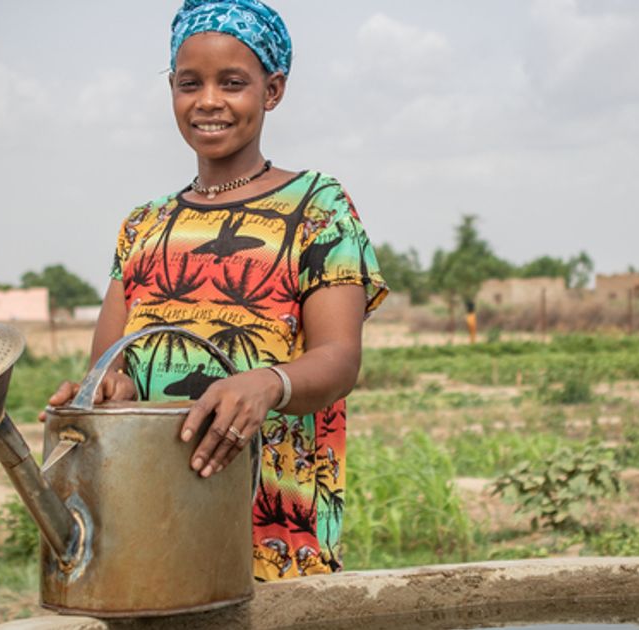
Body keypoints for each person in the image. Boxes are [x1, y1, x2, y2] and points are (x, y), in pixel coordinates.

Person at [44, 0, 387, 581]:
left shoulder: (317, 206)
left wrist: (268, 382)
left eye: (233, 83)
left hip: (276, 533)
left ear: (272, 90)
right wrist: (107, 392)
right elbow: (112, 369)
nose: (208, 101)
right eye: (188, 83)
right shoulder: (143, 226)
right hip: (153, 525)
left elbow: (338, 359)